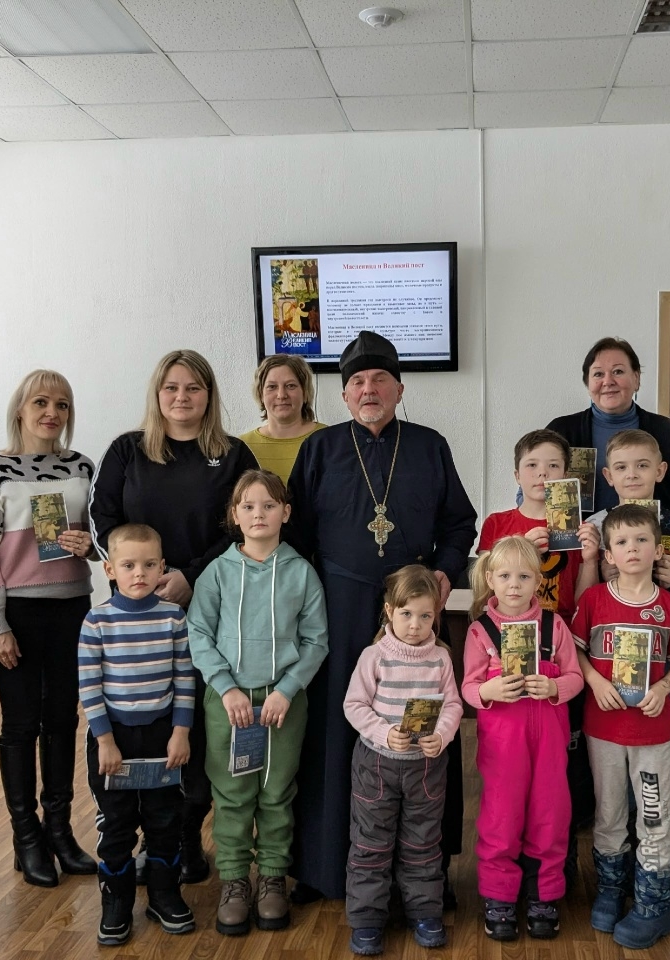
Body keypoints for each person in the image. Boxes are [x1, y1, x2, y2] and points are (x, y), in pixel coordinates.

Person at [287, 330, 477, 902]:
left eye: (379, 380)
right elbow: (296, 536)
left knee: (423, 723)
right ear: (344, 395)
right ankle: (325, 867)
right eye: (357, 382)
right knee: (336, 726)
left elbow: (459, 524)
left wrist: (445, 572)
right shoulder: (319, 449)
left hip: (414, 609)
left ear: (399, 389)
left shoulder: (429, 446)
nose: (368, 390)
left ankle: (423, 872)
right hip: (340, 608)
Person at [90, 349, 258, 884]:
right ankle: (138, 833)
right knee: (143, 719)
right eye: (171, 387)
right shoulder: (127, 450)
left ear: (209, 395)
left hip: (209, 604)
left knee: (198, 724)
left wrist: (190, 574)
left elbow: (244, 527)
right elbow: (103, 519)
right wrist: (138, 578)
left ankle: (186, 835)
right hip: (136, 614)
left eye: (193, 387)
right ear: (157, 394)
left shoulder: (233, 454)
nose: (181, 397)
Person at [0, 369, 97, 887]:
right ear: (20, 409)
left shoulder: (82, 467)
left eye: (62, 404)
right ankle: (27, 837)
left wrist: (90, 545)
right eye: (41, 402)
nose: (52, 413)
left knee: (63, 720)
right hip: (16, 613)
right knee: (21, 724)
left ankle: (60, 832)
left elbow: (102, 536)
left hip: (72, 608)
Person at [186, 470, 329, 936]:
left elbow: (316, 640)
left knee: (276, 792)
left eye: (268, 505)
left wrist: (287, 690)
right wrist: (226, 687)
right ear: (235, 515)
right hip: (228, 703)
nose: (258, 514)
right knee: (232, 793)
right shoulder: (217, 573)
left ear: (285, 512)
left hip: (283, 703)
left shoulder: (302, 573)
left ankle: (271, 877)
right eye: (248, 506)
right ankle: (233, 880)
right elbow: (199, 633)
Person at [578, 429, 670, 837]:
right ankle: (615, 832)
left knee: (668, 742)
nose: (632, 474)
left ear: (661, 470)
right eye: (622, 467)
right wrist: (596, 568)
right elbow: (580, 604)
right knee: (609, 749)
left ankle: (660, 829)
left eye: (642, 465)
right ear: (608, 476)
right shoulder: (594, 529)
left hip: (665, 667)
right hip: (605, 666)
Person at [572, 505, 670, 948]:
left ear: (658, 549)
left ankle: (654, 904)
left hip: (652, 733)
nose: (633, 548)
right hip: (603, 729)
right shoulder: (593, 600)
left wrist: (662, 688)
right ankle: (611, 888)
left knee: (654, 815)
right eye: (622, 542)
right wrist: (595, 680)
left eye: (642, 540)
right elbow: (576, 652)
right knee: (608, 813)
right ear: (608, 554)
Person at [78, 523, 197, 946]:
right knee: (116, 824)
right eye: (128, 565)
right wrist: (105, 741)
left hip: (163, 736)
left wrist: (180, 733)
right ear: (110, 569)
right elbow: (89, 687)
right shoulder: (97, 621)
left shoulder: (173, 617)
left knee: (165, 819)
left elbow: (184, 679)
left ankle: (164, 895)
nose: (139, 573)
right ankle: (117, 902)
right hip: (114, 740)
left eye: (149, 565)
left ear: (162, 567)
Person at [461, 536, 584, 942]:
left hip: (549, 745)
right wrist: (488, 691)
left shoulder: (554, 626)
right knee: (501, 817)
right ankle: (499, 896)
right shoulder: (480, 631)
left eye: (524, 577)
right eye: (505, 576)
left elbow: (575, 677)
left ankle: (543, 895)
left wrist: (555, 688)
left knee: (550, 815)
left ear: (538, 581)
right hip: (503, 748)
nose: (514, 585)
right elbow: (468, 686)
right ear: (490, 580)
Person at [343, 566, 463, 956]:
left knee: (423, 842)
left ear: (436, 616)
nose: (415, 625)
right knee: (370, 843)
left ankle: (425, 913)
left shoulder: (441, 658)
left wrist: (441, 735)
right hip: (376, 765)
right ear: (389, 611)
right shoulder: (374, 656)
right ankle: (366, 919)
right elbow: (354, 705)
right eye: (407, 614)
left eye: (425, 616)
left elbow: (453, 705)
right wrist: (383, 733)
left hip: (425, 768)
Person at [546, 336, 670, 515]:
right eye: (598, 374)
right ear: (588, 383)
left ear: (636, 378)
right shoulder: (561, 431)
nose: (608, 381)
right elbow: (532, 488)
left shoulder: (667, 431)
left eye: (618, 371)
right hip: (582, 533)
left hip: (655, 532)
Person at [478, 429, 601, 622]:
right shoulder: (496, 523)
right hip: (510, 627)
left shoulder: (581, 530)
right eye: (532, 465)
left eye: (553, 465)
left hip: (564, 630)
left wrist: (591, 561)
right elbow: (484, 592)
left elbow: (584, 605)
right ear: (517, 475)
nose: (543, 472)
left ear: (565, 475)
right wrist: (521, 551)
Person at [239, 354, 326, 481]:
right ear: (260, 394)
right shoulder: (242, 446)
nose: (281, 395)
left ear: (305, 392)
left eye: (290, 386)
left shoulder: (329, 440)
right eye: (272, 387)